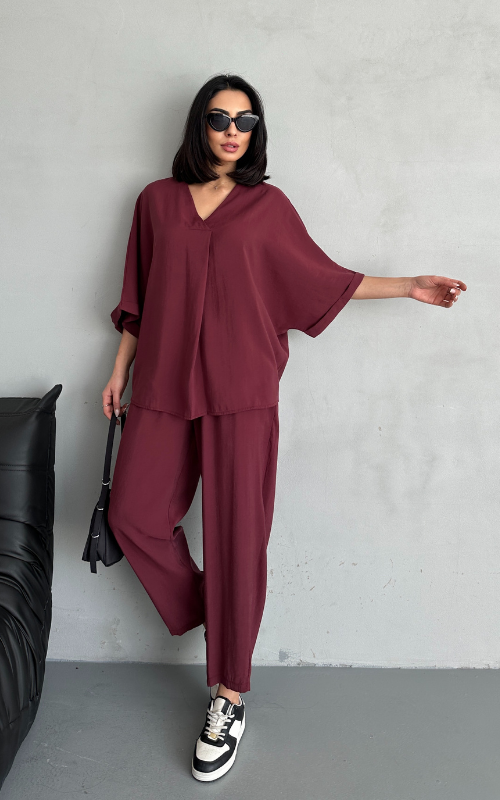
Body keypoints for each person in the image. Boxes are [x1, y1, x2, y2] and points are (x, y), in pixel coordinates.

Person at [102, 73, 466, 782]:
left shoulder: (267, 208)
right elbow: (138, 299)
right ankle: (222, 607)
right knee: (133, 516)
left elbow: (322, 279)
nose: (231, 131)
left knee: (240, 539)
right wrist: (119, 371)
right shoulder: (156, 202)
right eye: (218, 118)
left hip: (243, 391)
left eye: (245, 121)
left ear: (256, 132)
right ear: (199, 125)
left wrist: (408, 285)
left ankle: (229, 695)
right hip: (163, 388)